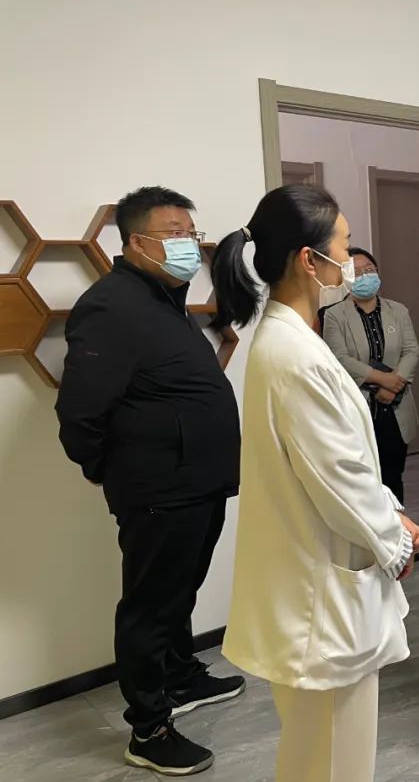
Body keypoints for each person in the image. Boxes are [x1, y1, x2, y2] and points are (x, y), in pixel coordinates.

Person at [208, 185, 419, 782]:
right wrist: (395, 541)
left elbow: (341, 462)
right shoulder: (294, 355)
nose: (350, 262)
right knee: (332, 763)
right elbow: (339, 478)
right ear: (310, 259)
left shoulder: (291, 339)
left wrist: (389, 514)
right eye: (345, 247)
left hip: (315, 584)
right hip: (319, 603)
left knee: (316, 757)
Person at [55, 186, 244, 776]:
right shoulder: (109, 306)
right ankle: (148, 728)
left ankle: (180, 675)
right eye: (174, 233)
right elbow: (80, 413)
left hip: (198, 483)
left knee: (179, 591)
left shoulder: (164, 299)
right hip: (158, 489)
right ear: (136, 241)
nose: (189, 243)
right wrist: (109, 470)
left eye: (191, 232)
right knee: (149, 607)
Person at [322, 247, 419, 504]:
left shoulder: (398, 311)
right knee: (364, 482)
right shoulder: (334, 315)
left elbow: (411, 351)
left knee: (393, 477)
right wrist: (383, 379)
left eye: (370, 270)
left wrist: (394, 385)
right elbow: (340, 359)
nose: (365, 276)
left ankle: (398, 526)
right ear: (346, 277)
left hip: (396, 409)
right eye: (357, 272)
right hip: (360, 408)